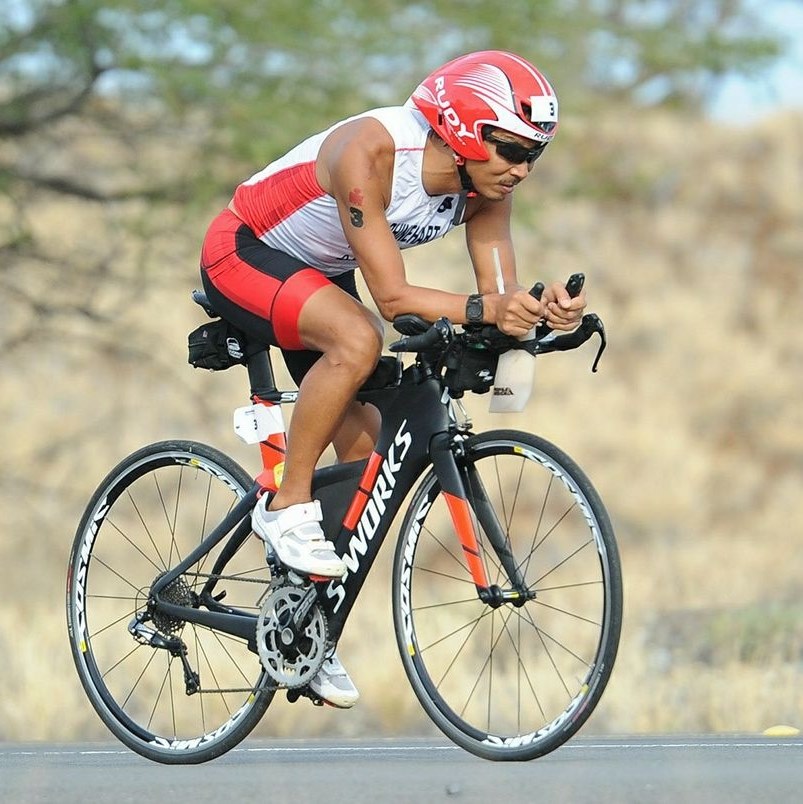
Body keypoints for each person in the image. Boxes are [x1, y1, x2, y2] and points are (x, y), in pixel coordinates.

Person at [199, 50, 586, 708]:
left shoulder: (484, 189)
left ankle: (300, 627)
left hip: (317, 276)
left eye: (533, 155)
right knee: (357, 338)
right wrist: (485, 308)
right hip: (244, 251)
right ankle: (286, 505)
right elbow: (392, 298)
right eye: (510, 148)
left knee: (364, 454)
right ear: (463, 128)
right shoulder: (372, 152)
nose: (520, 169)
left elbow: (495, 301)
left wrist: (533, 312)